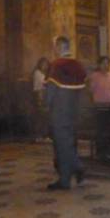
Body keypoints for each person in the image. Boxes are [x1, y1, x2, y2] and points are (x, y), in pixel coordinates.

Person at [45, 36, 86, 191]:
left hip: (59, 112)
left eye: (55, 46)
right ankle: (68, 176)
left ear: (59, 47)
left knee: (62, 146)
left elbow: (50, 92)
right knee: (69, 143)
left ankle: (71, 174)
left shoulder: (56, 65)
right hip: (75, 112)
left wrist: (45, 107)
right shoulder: (78, 65)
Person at [32, 57, 49, 143]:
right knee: (39, 116)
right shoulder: (37, 73)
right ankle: (38, 136)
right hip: (39, 95)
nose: (45, 66)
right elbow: (43, 83)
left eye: (46, 64)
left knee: (45, 116)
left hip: (45, 94)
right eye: (43, 64)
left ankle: (44, 135)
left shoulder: (45, 73)